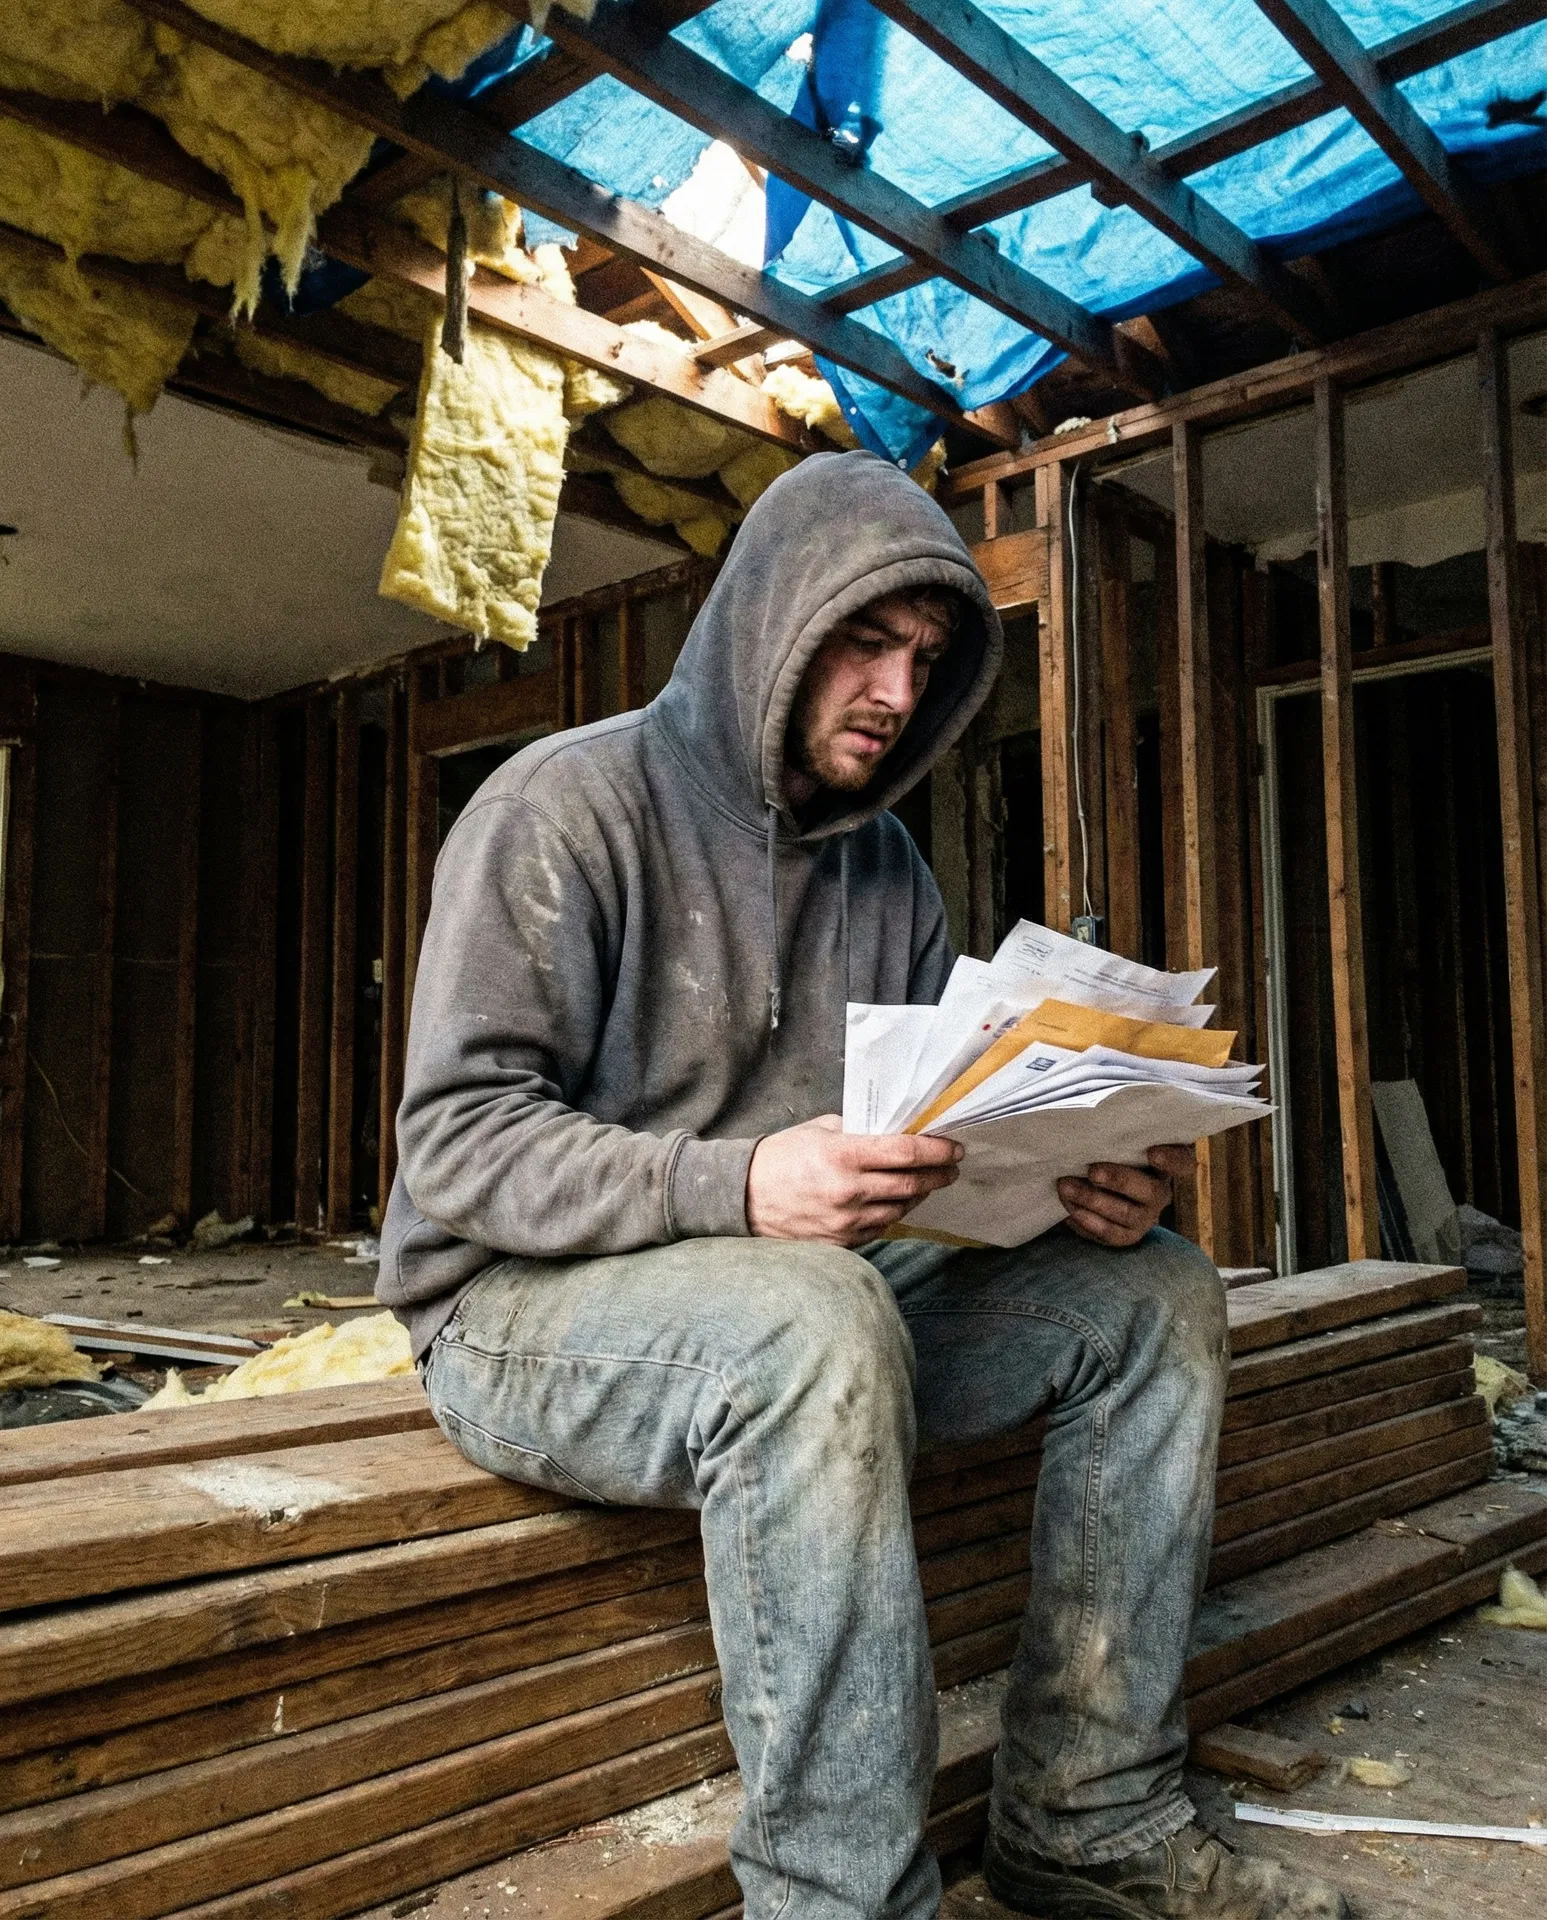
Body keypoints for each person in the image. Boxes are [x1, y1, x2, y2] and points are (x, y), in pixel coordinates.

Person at [378, 452, 1346, 1920]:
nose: (897, 693)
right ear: (770, 622)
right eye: (866, 643)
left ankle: (1085, 1819)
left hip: (797, 1289)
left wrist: (1070, 1179)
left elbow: (921, 1140)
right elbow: (456, 1143)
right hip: (516, 1308)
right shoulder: (562, 807)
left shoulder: (887, 866)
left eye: (927, 661)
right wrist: (742, 1181)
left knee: (1153, 1294)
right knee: (811, 1322)